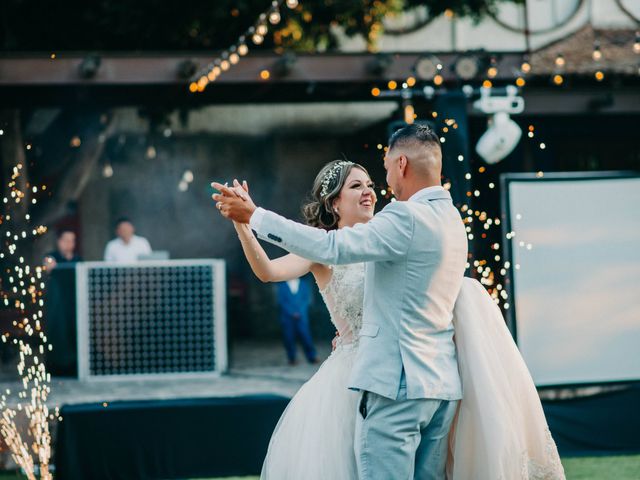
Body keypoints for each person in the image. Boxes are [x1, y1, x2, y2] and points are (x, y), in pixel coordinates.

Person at [213, 124, 564, 479]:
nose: (372, 189)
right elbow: (273, 270)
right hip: (434, 382)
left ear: (401, 164)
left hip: (393, 382)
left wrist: (255, 216)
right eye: (357, 186)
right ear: (334, 202)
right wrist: (243, 225)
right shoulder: (449, 218)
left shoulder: (399, 221)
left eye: (373, 179)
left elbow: (334, 249)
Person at [276, 277, 318, 365]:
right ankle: (292, 358)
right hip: (287, 317)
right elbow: (282, 302)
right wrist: (292, 312)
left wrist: (300, 312)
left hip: (302, 316)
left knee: (306, 336)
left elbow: (306, 300)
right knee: (289, 338)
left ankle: (312, 356)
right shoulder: (282, 286)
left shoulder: (303, 284)